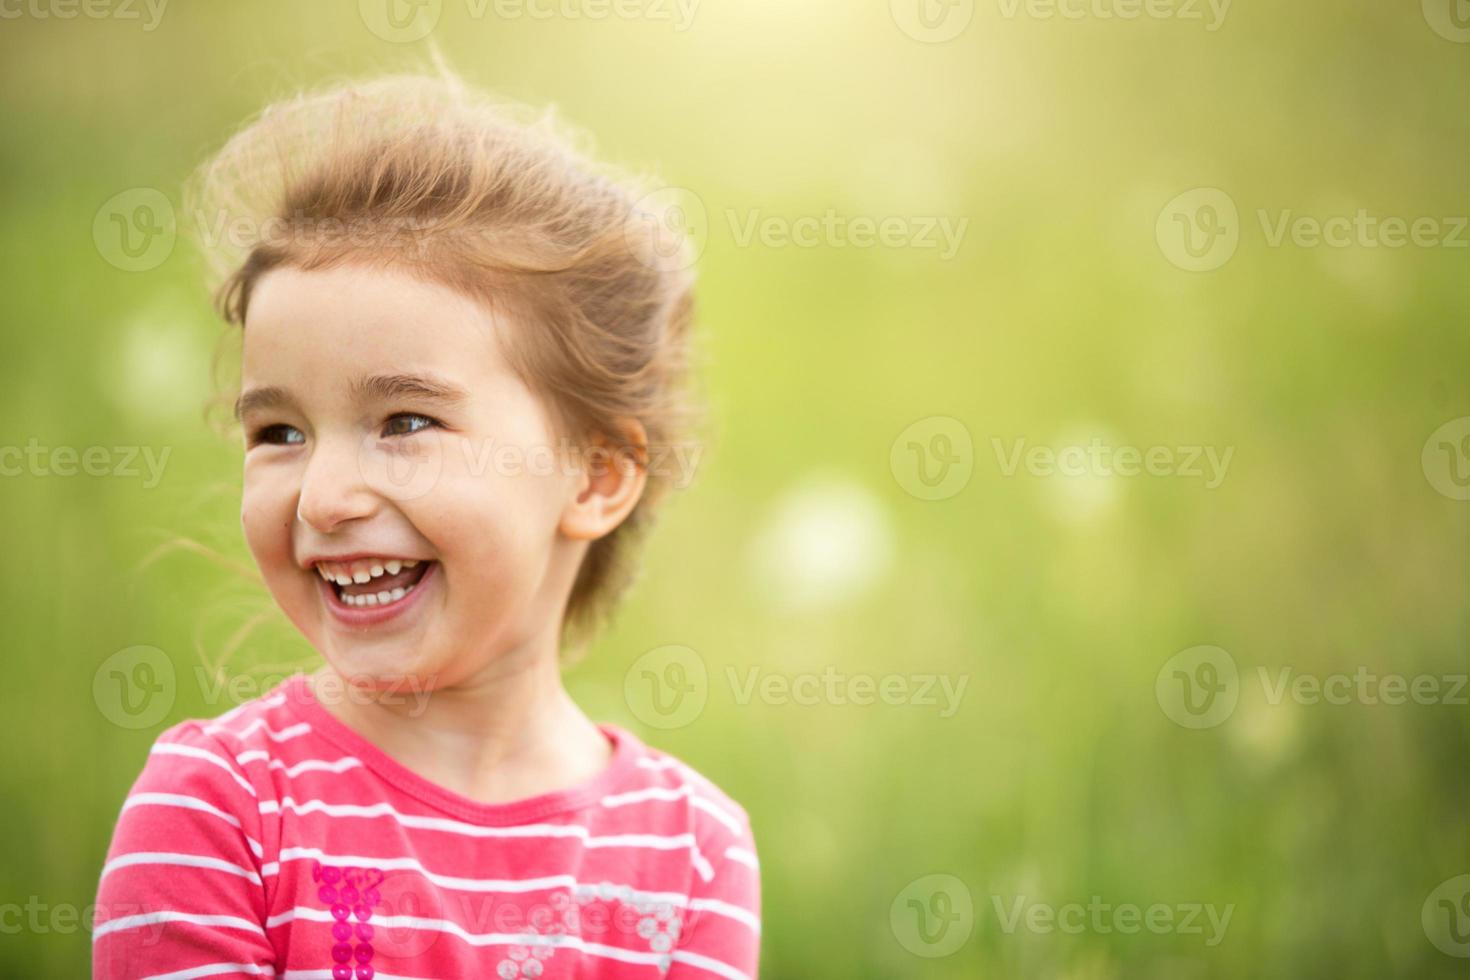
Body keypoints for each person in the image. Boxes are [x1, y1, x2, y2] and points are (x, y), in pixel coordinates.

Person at [93, 65, 759, 980]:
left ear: (598, 477)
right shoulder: (221, 812)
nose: (324, 498)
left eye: (405, 423)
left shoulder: (688, 859)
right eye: (278, 431)